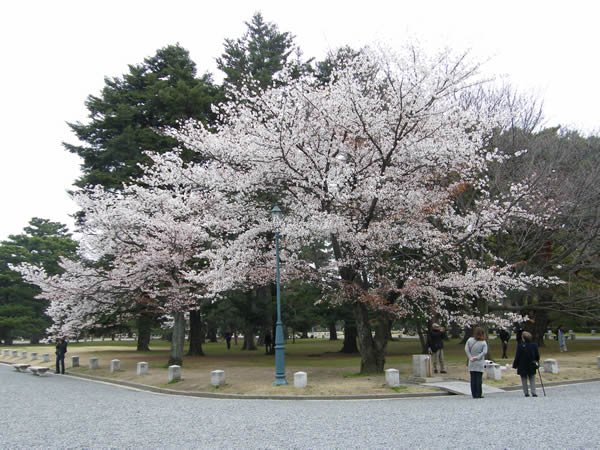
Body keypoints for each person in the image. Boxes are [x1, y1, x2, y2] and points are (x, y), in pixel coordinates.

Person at [512, 331, 540, 397]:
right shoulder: (534, 345)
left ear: (523, 338)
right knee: (532, 378)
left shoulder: (520, 346)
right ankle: (533, 392)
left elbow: (517, 356)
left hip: (522, 364)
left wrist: (515, 365)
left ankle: (526, 392)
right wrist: (537, 361)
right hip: (532, 364)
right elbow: (537, 355)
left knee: (524, 378)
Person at [465, 326, 488, 398]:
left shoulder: (469, 340)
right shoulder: (483, 342)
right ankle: (479, 393)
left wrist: (470, 357)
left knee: (473, 378)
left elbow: (466, 349)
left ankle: (474, 393)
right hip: (479, 362)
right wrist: (477, 357)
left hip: (471, 362)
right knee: (478, 378)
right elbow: (484, 352)